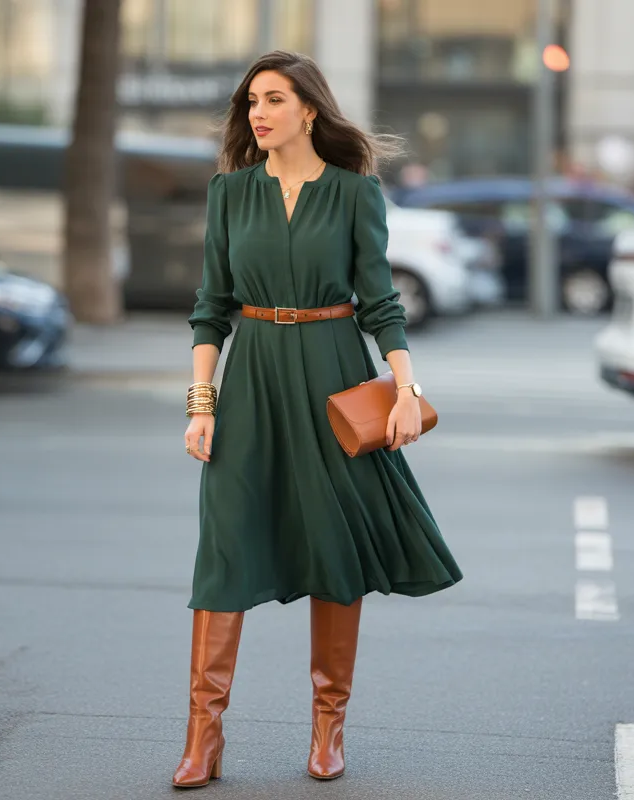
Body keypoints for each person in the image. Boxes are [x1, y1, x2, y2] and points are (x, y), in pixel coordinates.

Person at [174, 50, 463, 788]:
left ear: (310, 109)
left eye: (273, 99)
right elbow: (211, 309)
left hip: (335, 375)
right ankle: (203, 735)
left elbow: (381, 304)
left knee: (334, 551)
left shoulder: (354, 194)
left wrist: (404, 390)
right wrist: (201, 405)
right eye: (250, 103)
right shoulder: (230, 194)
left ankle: (328, 728)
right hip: (254, 381)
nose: (257, 114)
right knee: (226, 548)